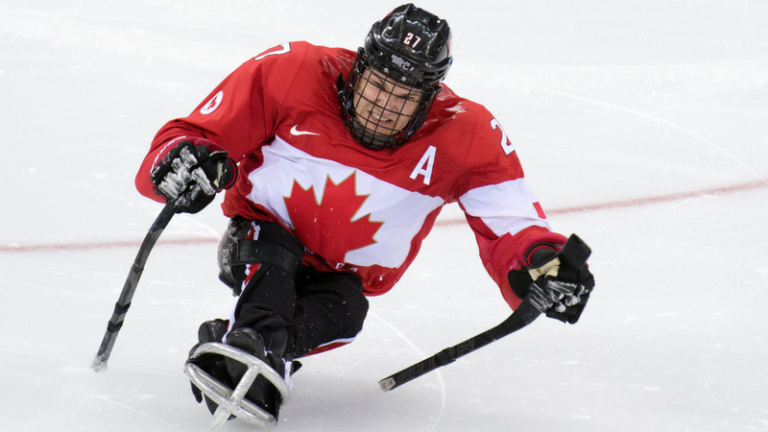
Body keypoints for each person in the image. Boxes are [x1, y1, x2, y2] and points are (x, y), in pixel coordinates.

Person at [135, 3, 595, 426]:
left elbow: (512, 223)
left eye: (403, 96)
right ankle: (252, 345)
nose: (382, 106)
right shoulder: (291, 71)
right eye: (377, 84)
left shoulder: (466, 134)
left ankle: (248, 345)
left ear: (431, 96)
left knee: (346, 313)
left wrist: (543, 264)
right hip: (259, 234)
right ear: (358, 66)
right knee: (272, 262)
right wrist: (182, 161)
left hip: (342, 272)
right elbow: (192, 133)